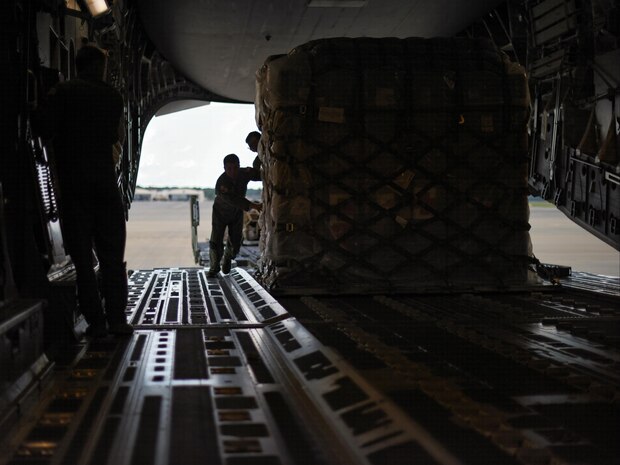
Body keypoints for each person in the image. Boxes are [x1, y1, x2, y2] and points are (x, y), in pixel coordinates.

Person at [43, 45, 132, 337]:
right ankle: (117, 318)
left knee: (82, 256)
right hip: (104, 183)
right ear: (98, 66)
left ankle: (95, 322)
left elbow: (45, 129)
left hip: (73, 185)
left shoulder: (61, 93)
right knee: (111, 255)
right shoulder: (112, 96)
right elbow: (112, 136)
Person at [208, 154, 262, 277]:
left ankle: (228, 257)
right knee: (216, 241)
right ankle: (214, 268)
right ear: (224, 168)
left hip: (236, 212)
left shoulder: (243, 173)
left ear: (239, 166)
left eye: (235, 168)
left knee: (236, 241)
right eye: (229, 169)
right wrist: (255, 206)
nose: (233, 171)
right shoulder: (221, 183)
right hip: (220, 213)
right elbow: (234, 200)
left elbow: (260, 174)